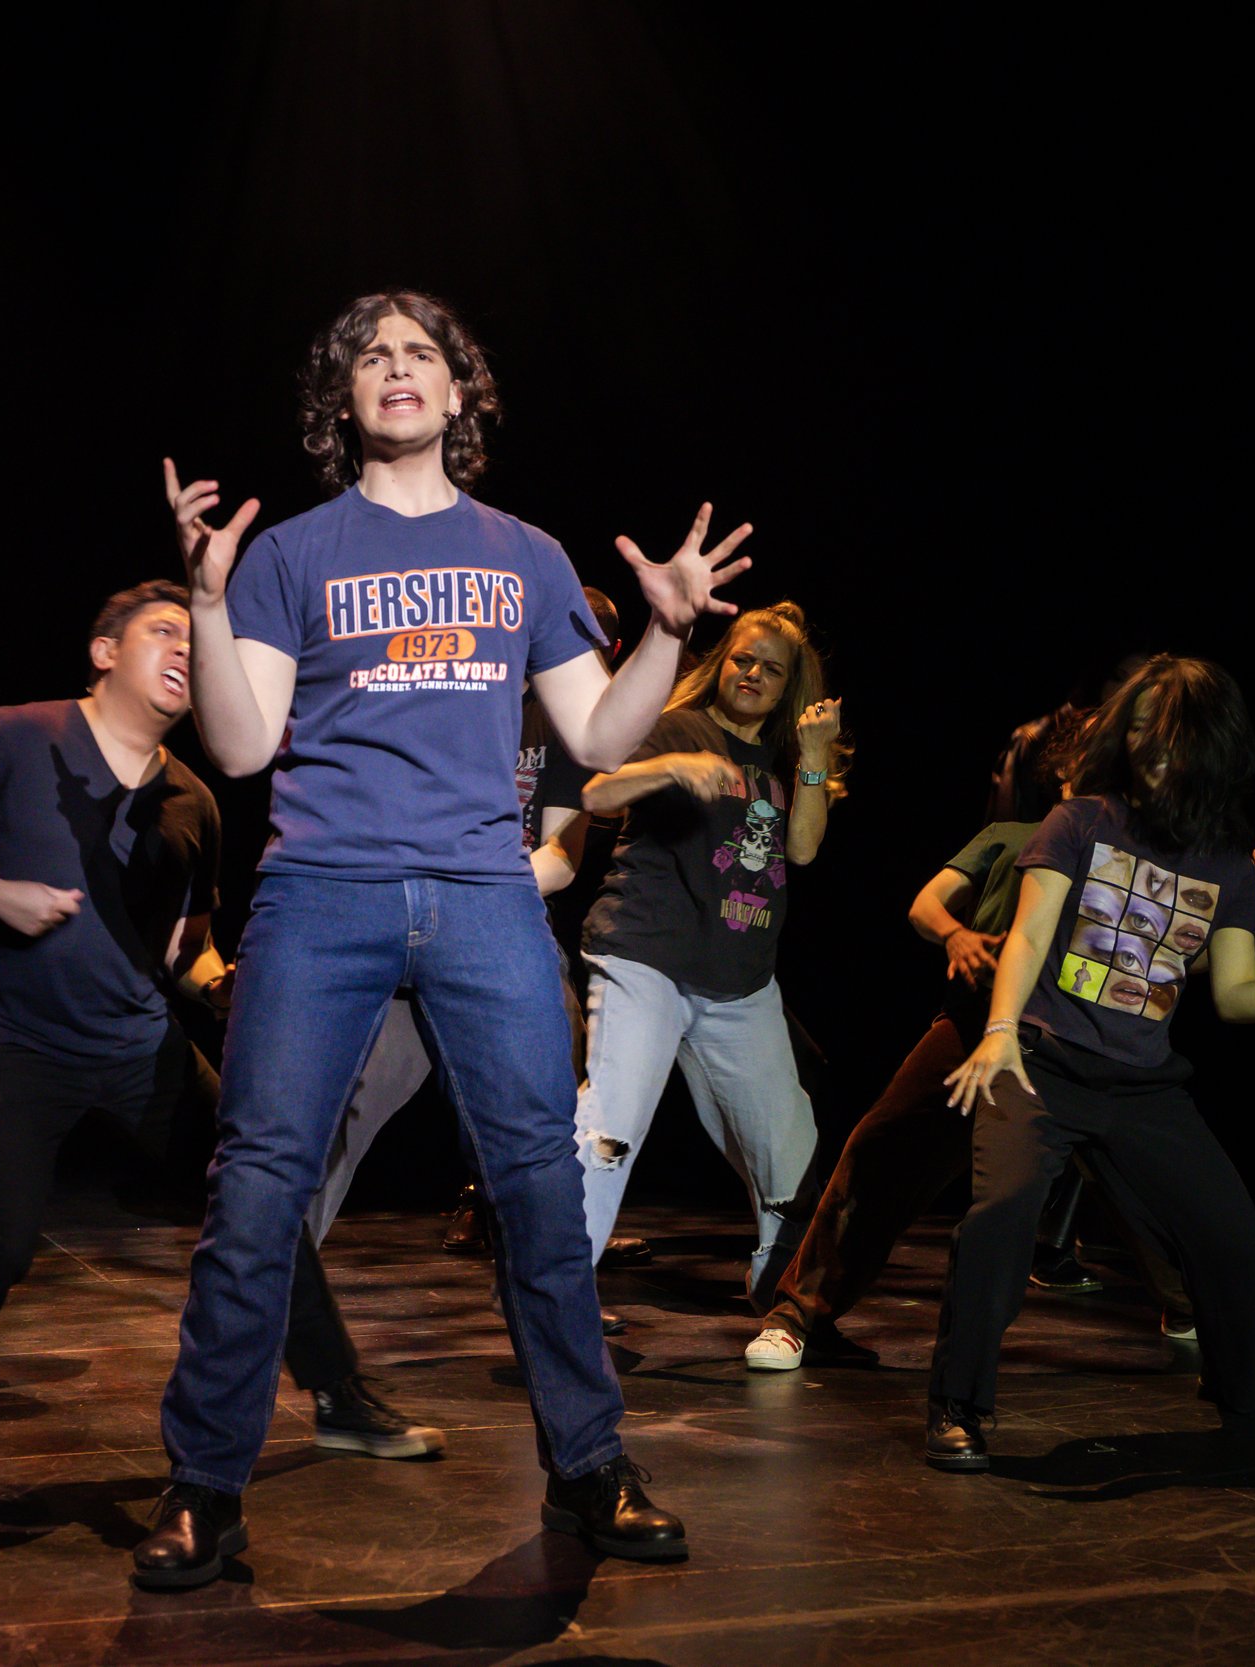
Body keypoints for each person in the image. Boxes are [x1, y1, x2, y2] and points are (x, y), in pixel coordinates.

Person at [139, 288, 750, 1590]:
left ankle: (589, 1466)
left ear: (459, 392)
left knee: (540, 1187)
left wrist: (666, 629)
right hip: (322, 892)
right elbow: (243, 746)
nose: (399, 370)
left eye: (422, 354)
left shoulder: (523, 552)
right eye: (373, 357)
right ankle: (203, 1485)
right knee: (256, 1184)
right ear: (343, 401)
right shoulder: (289, 554)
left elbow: (595, 739)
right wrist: (204, 596)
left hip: (483, 894)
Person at [0, 580, 440, 1511]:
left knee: (262, 1204)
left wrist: (225, 983)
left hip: (135, 1041)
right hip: (13, 1034)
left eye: (195, 642)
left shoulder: (193, 798)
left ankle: (339, 1395)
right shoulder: (21, 734)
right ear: (104, 650)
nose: (185, 651)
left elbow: (186, 950)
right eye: (164, 632)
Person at [927, 654, 1255, 1470]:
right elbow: (1025, 934)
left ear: (1208, 745)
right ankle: (958, 1403)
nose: (1148, 751)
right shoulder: (1081, 822)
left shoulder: (1229, 863)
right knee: (1004, 1217)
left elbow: (1235, 994)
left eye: (1166, 737)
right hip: (1042, 1063)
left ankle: (1245, 1384)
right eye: (1136, 731)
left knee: (1242, 1248)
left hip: (1140, 1086)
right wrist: (998, 1030)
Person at [741, 710, 1255, 1369]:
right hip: (979, 1025)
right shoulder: (1017, 834)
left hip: (1077, 1044)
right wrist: (957, 934)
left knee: (1143, 1186)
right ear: (1066, 771)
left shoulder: (1137, 852)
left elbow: (1157, 963)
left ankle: (1195, 1310)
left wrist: (1249, 926)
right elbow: (928, 905)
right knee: (885, 1151)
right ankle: (796, 1314)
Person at [306, 585, 619, 1248]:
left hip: (499, 927)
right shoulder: (456, 692)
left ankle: (560, 1288)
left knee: (538, 1113)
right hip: (409, 924)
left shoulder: (567, 728)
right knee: (350, 1105)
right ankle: (278, 1284)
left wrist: (468, 887)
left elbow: (560, 859)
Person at [572, 602, 848, 1302]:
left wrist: (814, 760)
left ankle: (784, 1296)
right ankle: (556, 1295)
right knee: (610, 1128)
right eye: (743, 659)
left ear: (790, 688)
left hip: (740, 978)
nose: (753, 674)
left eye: (771, 670)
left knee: (789, 1144)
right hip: (647, 955)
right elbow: (598, 792)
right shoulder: (675, 726)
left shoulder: (784, 761)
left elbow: (805, 849)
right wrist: (669, 766)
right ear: (721, 662)